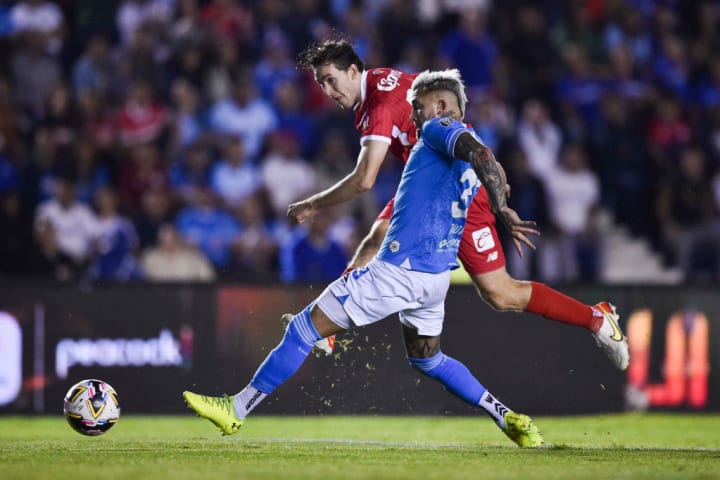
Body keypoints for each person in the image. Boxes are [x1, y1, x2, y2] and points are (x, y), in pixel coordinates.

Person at [184, 69, 543, 447]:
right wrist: (499, 195)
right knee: (428, 360)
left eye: (418, 108)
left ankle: (236, 410)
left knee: (302, 329)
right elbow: (489, 164)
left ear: (441, 106)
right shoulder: (463, 150)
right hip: (435, 280)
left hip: (398, 272)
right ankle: (506, 416)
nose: (414, 117)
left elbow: (483, 157)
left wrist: (502, 209)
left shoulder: (439, 129)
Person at [288, 38, 629, 370]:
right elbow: (451, 122)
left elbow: (365, 179)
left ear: (352, 70)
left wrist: (311, 205)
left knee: (501, 293)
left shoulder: (378, 105)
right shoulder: (378, 83)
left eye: (330, 80)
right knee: (376, 238)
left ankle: (597, 318)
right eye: (321, 84)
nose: (328, 92)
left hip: (458, 192)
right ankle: (328, 331)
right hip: (427, 185)